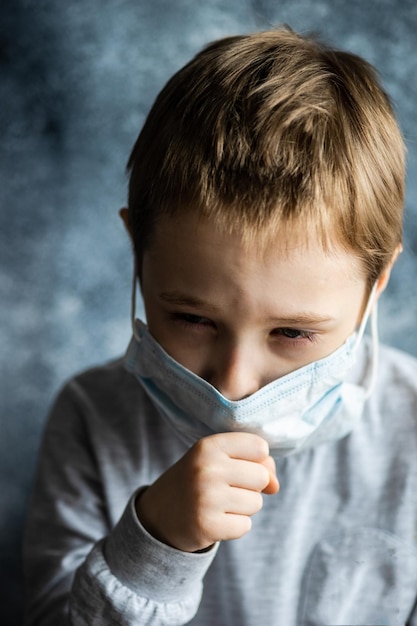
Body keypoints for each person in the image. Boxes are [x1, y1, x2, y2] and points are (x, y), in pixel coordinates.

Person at [23, 27, 417, 626]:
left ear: (377, 282)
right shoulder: (90, 419)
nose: (235, 385)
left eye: (292, 333)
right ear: (137, 251)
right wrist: (157, 544)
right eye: (192, 318)